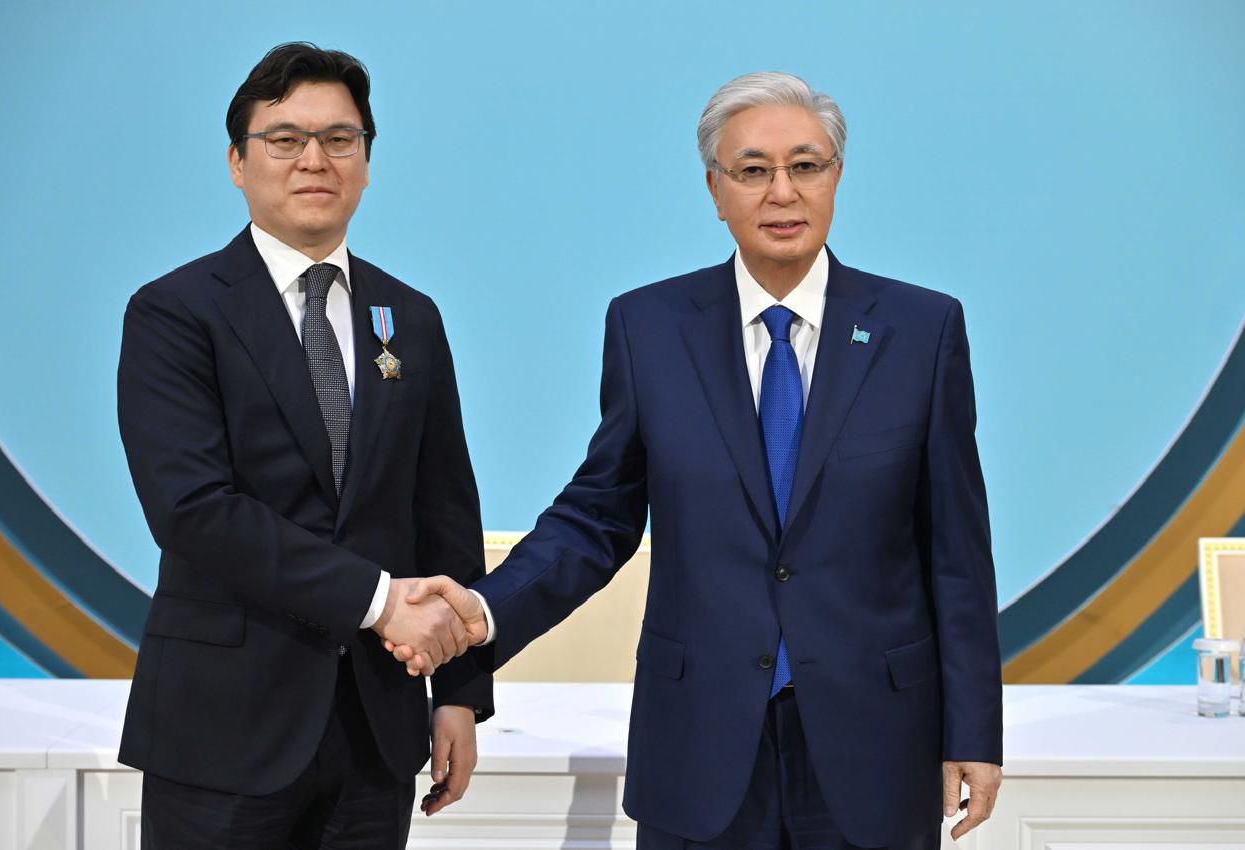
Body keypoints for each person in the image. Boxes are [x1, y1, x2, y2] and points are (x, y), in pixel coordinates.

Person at [393, 72, 1004, 848]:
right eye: (753, 170)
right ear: (715, 190)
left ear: (837, 177)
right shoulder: (649, 327)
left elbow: (956, 553)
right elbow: (597, 516)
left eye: (805, 166)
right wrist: (482, 613)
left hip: (875, 745)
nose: (782, 192)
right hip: (700, 746)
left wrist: (975, 730)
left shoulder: (920, 330)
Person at [116, 42, 491, 848]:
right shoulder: (175, 311)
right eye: (285, 139)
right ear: (237, 162)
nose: (314, 160)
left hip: (376, 727)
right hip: (224, 727)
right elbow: (193, 509)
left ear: (366, 161)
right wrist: (380, 601)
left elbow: (445, 514)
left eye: (340, 139)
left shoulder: (410, 316)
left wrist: (459, 692)